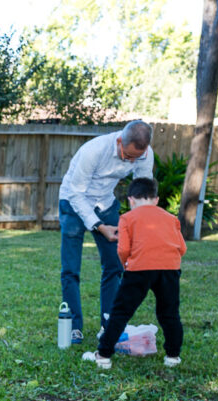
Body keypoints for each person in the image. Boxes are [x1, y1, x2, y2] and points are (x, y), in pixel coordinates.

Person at [59, 119, 155, 344]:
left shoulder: (144, 154)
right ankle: (73, 326)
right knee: (71, 269)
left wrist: (141, 223)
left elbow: (142, 191)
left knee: (114, 265)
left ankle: (109, 325)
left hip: (105, 203)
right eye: (128, 156)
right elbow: (76, 193)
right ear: (120, 141)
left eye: (136, 158)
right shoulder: (93, 151)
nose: (131, 161)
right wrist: (100, 227)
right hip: (73, 202)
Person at [83, 177, 186, 369]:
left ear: (131, 200)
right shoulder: (172, 219)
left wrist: (126, 264)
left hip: (139, 269)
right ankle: (173, 356)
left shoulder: (127, 218)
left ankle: (103, 355)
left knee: (120, 312)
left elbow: (123, 249)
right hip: (170, 270)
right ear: (156, 199)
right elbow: (182, 248)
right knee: (169, 313)